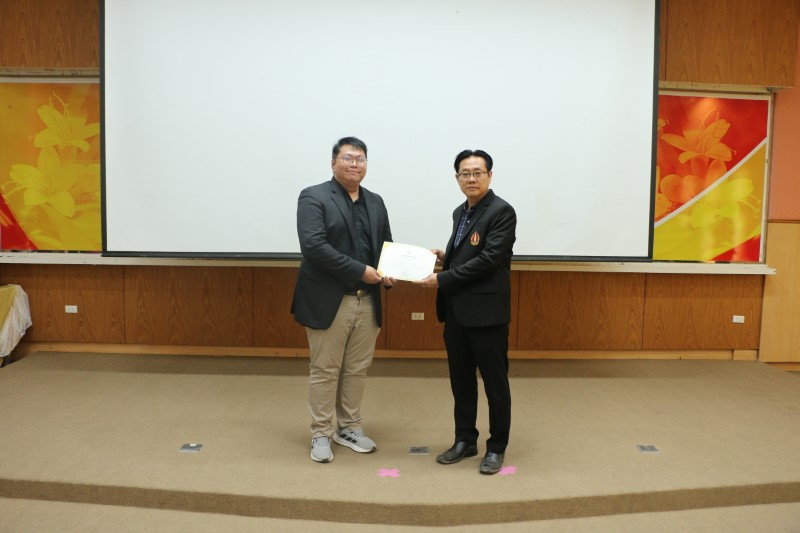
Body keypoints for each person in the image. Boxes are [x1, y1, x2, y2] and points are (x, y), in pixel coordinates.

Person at [291, 136, 394, 463]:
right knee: (325, 369)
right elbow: (314, 247)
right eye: (348, 158)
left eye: (360, 159)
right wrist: (360, 271)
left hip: (368, 301)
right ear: (333, 162)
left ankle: (349, 427)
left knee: (357, 369)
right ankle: (321, 432)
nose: (354, 164)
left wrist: (390, 271)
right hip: (330, 300)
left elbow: (386, 247)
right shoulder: (314, 196)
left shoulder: (375, 201)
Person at [415, 149, 517, 475]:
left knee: (495, 384)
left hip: (487, 315)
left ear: (490, 175)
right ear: (457, 178)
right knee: (461, 382)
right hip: (457, 313)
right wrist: (445, 259)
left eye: (477, 172)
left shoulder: (502, 211)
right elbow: (469, 255)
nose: (471, 179)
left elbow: (488, 261)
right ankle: (465, 440)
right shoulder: (461, 211)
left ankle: (496, 447)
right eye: (465, 173)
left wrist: (442, 278)